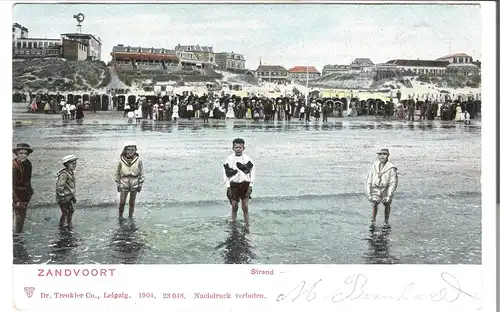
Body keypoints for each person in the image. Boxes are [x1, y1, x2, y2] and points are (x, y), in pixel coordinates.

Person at [223, 138, 256, 225]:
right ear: (233, 148)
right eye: (236, 147)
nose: (238, 149)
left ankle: (247, 224)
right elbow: (225, 174)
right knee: (234, 206)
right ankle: (233, 222)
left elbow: (252, 173)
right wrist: (228, 187)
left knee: (245, 206)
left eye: (240, 147)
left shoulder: (248, 159)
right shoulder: (229, 159)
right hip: (233, 185)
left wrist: (250, 186)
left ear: (243, 148)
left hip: (245, 184)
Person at [366, 148, 398, 229]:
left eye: (384, 154)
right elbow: (370, 178)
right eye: (380, 154)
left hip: (386, 189)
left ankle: (386, 221)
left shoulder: (391, 168)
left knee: (387, 203)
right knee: (374, 203)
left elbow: (393, 182)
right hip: (376, 188)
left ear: (388, 155)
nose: (382, 156)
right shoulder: (375, 165)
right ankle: (373, 221)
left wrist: (389, 195)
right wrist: (369, 193)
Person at [115, 142, 145, 219]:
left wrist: (140, 184)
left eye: (133, 150)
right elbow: (117, 172)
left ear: (135, 150)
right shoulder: (121, 160)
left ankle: (130, 217)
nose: (131, 151)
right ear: (125, 150)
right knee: (122, 202)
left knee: (132, 202)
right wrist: (118, 183)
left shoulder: (139, 160)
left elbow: (141, 173)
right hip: (124, 182)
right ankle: (120, 216)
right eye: (129, 150)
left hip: (134, 181)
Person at [12, 143, 34, 233]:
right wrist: (16, 200)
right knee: (17, 217)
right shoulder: (13, 166)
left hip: (25, 195)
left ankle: (17, 237)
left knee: (21, 217)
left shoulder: (28, 164)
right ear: (16, 154)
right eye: (21, 153)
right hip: (15, 195)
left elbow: (28, 179)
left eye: (25, 153)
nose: (23, 155)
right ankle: (15, 237)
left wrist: (30, 191)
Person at [55, 155, 78, 229]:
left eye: (75, 163)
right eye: (73, 164)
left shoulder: (70, 172)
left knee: (70, 210)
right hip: (63, 197)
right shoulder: (64, 174)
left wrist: (73, 197)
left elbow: (70, 188)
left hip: (68, 197)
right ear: (67, 164)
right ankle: (63, 225)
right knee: (65, 212)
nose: (75, 165)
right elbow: (59, 187)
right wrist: (62, 196)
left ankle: (68, 223)